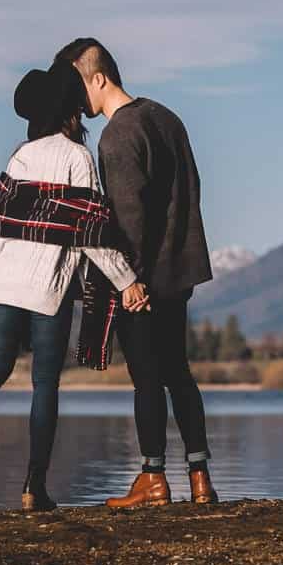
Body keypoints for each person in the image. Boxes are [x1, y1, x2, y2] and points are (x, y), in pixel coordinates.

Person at [0, 62, 149, 513]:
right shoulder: (77, 158)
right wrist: (127, 282)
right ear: (72, 112)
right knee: (45, 383)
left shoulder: (21, 156)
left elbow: (4, 226)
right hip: (45, 284)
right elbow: (91, 233)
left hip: (5, 278)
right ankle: (34, 487)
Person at [56, 38, 220, 508]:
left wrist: (129, 281)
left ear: (99, 78)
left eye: (77, 85)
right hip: (180, 269)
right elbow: (191, 194)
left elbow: (129, 218)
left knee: (146, 379)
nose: (75, 99)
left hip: (142, 279)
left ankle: (152, 479)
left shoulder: (117, 135)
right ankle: (200, 477)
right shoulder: (169, 119)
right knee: (180, 374)